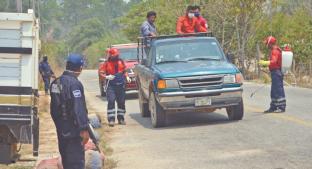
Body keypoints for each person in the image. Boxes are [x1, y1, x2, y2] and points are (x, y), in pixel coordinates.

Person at [50, 53, 89, 169]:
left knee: (67, 164)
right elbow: (78, 108)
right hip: (73, 132)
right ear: (80, 68)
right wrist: (83, 129)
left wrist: (60, 124)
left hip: (61, 131)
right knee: (76, 164)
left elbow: (53, 110)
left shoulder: (55, 83)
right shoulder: (74, 84)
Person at [100, 48, 131, 127]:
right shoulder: (106, 63)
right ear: (110, 55)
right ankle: (111, 119)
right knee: (111, 100)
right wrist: (107, 77)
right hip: (111, 86)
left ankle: (121, 118)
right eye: (114, 56)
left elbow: (125, 71)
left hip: (120, 85)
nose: (116, 57)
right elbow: (101, 73)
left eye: (117, 55)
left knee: (121, 102)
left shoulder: (121, 61)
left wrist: (127, 77)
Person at [259, 36, 286, 113]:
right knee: (274, 91)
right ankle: (273, 107)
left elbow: (274, 61)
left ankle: (281, 107)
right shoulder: (276, 50)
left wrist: (265, 62)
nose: (266, 45)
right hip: (275, 72)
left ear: (270, 43)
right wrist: (265, 64)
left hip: (277, 72)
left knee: (278, 90)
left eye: (267, 43)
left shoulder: (274, 51)